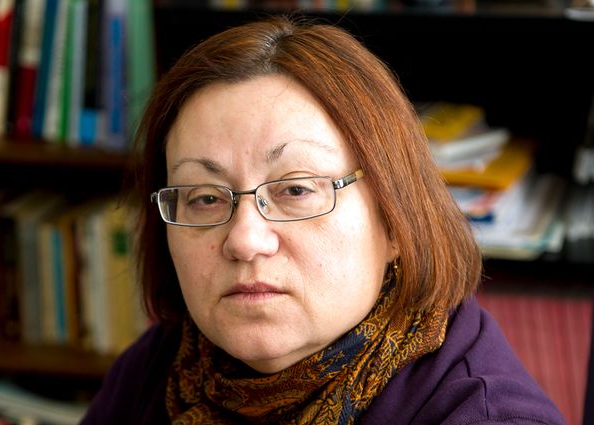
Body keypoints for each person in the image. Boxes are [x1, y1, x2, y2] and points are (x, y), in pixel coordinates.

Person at [81, 16, 566, 425]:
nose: (246, 240)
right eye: (205, 198)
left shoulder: (482, 413)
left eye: (295, 189)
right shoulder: (172, 362)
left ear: (395, 219)